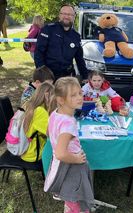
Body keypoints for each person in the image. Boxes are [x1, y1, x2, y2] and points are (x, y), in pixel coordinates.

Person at [44, 77, 94, 213]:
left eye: (79, 93)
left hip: (61, 165)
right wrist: (77, 159)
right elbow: (61, 154)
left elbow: (48, 133)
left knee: (70, 198)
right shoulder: (68, 123)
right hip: (72, 166)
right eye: (73, 95)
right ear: (61, 100)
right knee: (77, 199)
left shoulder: (54, 114)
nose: (79, 97)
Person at [34, 4, 88, 81]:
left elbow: (79, 59)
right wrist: (43, 74)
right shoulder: (48, 30)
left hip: (67, 77)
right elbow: (38, 53)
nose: (66, 16)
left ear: (74, 17)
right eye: (64, 14)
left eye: (70, 14)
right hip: (48, 76)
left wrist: (85, 76)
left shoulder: (76, 36)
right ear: (59, 15)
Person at [21, 82, 55, 162]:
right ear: (47, 96)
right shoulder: (40, 111)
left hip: (24, 148)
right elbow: (53, 134)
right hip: (33, 153)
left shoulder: (28, 104)